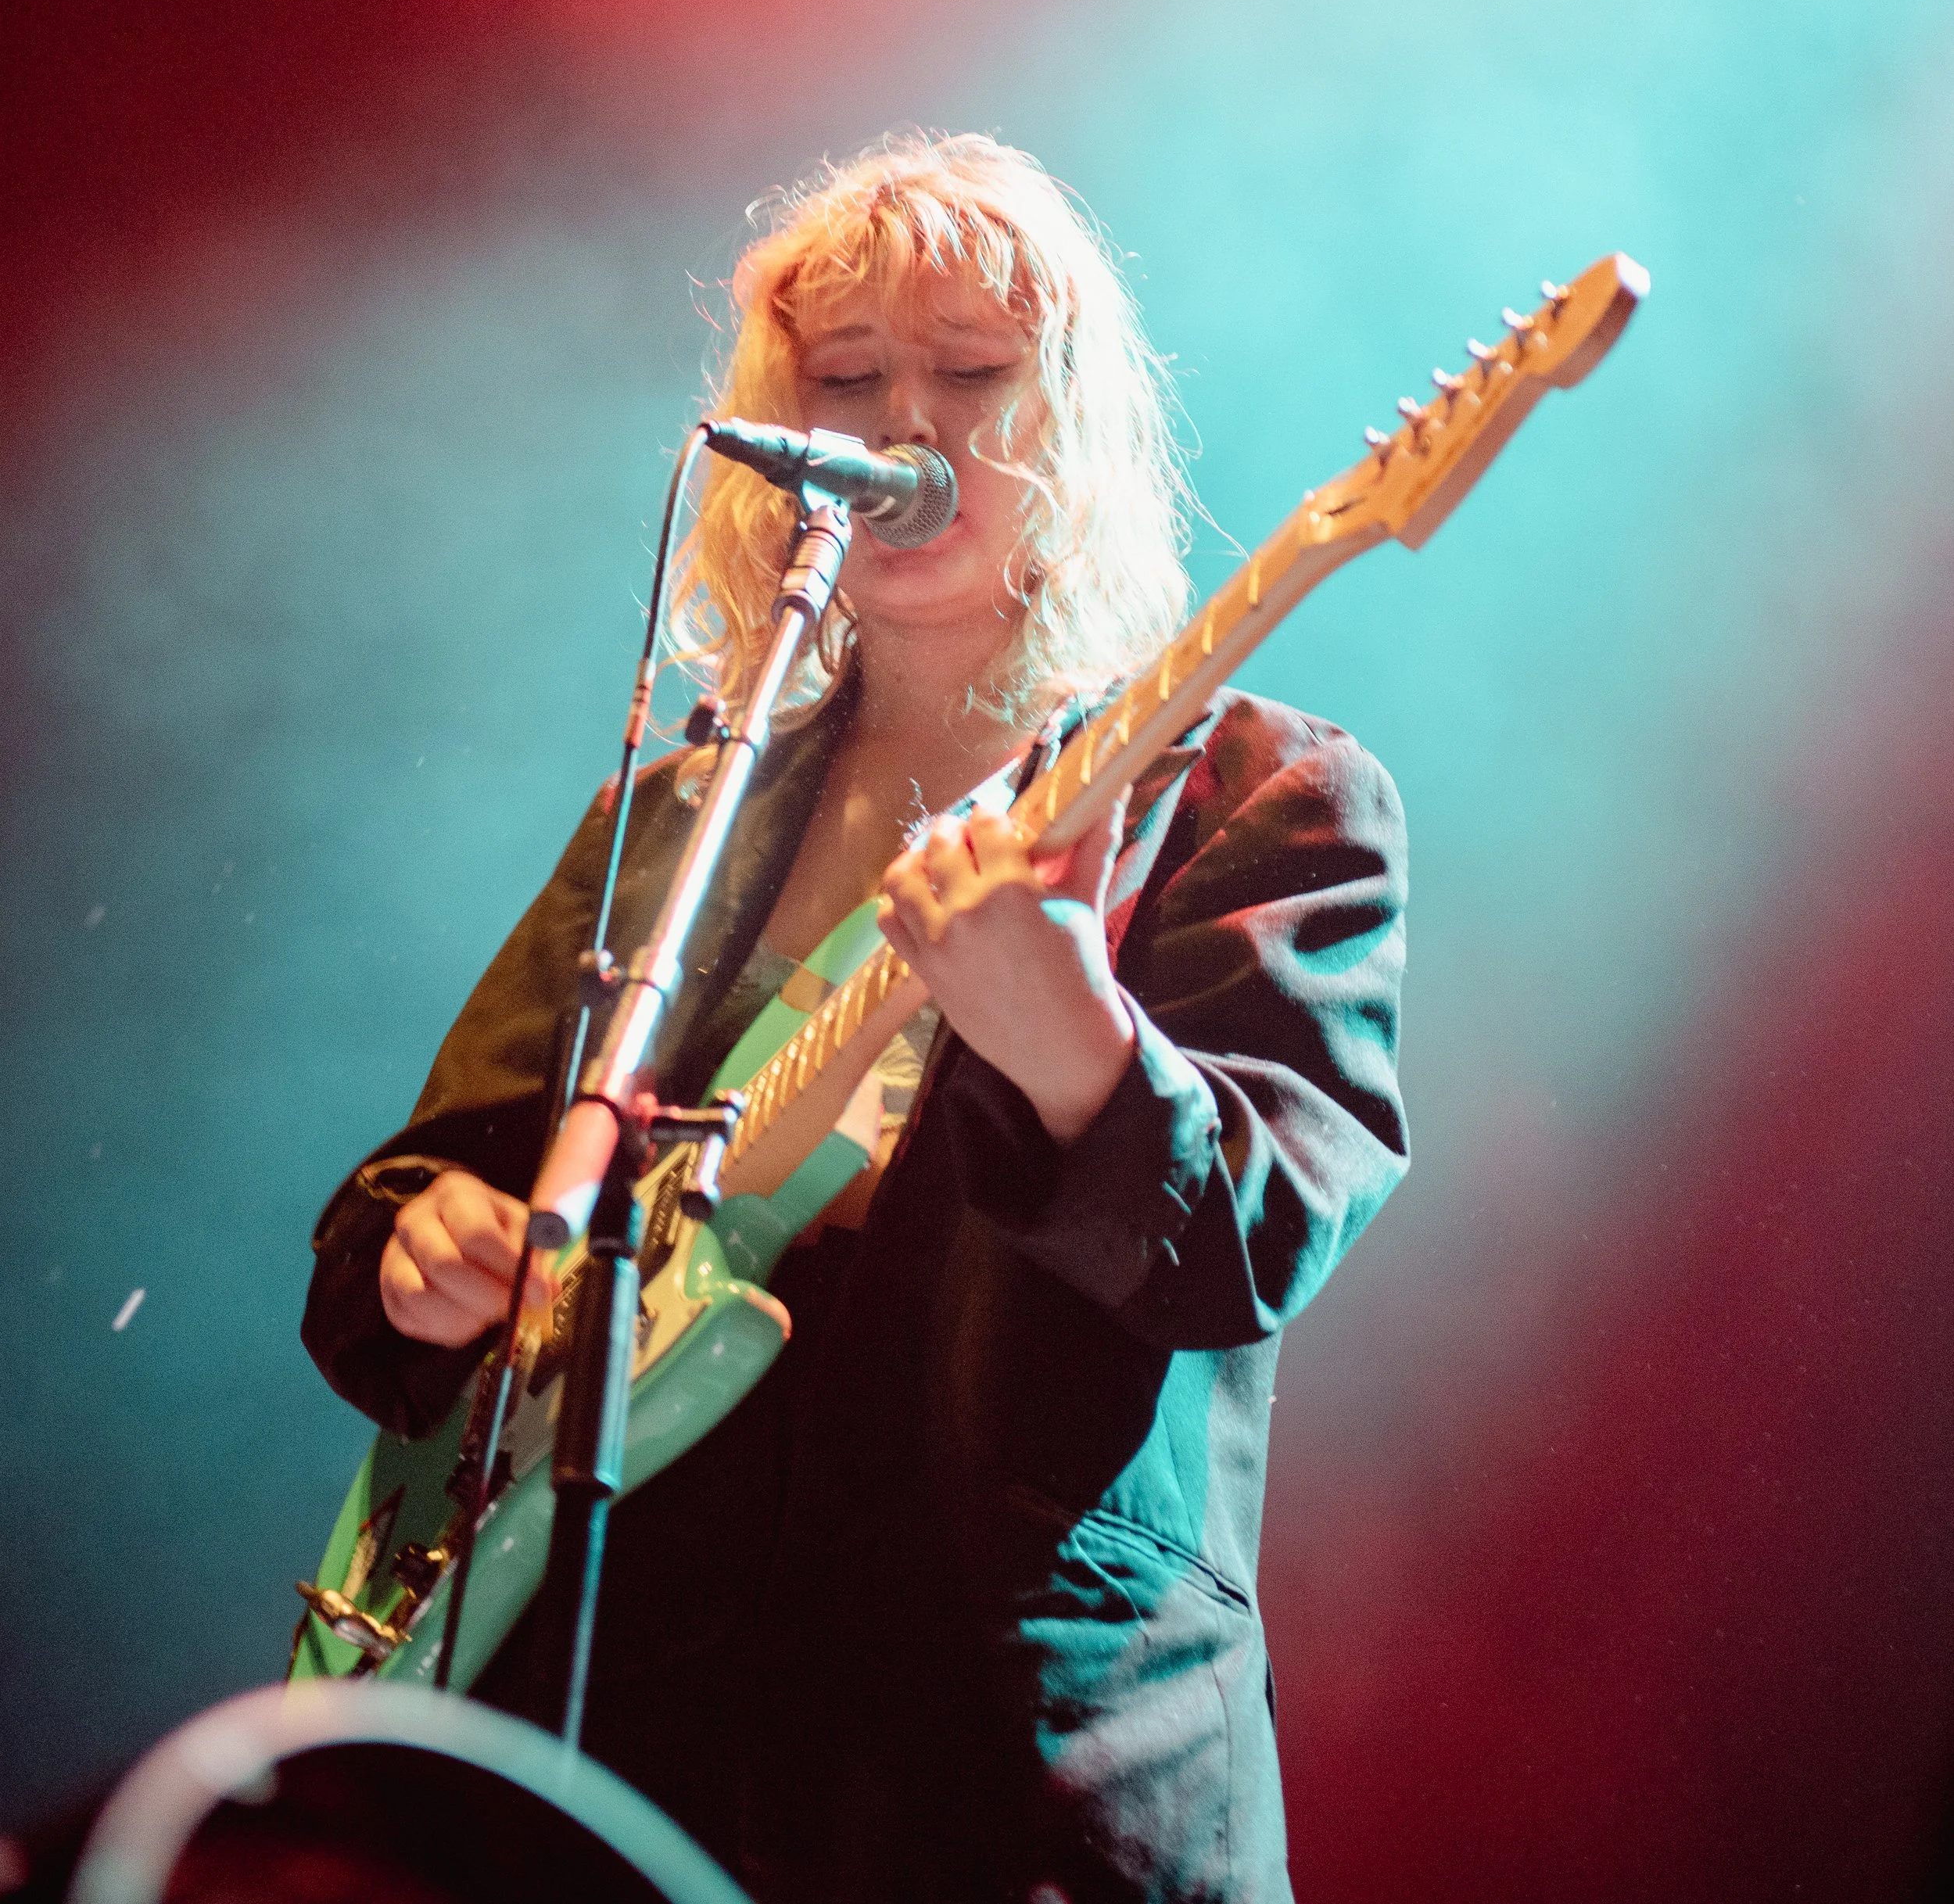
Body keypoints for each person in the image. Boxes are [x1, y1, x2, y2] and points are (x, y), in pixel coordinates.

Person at [303, 132, 1409, 1904]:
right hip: (603, 1730)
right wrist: (416, 1252)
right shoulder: (679, 821)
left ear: (1070, 421)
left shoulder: (1250, 799)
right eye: (847, 381)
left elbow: (1255, 1237)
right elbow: (425, 1186)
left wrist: (1069, 1034)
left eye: (969, 376)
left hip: (1001, 1761)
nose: (906, 425)